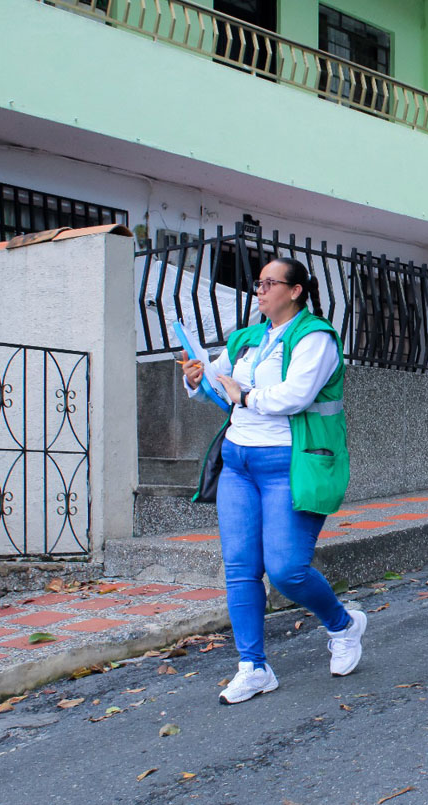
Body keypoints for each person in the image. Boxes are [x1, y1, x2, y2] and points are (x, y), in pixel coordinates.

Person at [182, 257, 365, 705]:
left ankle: (343, 625)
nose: (259, 291)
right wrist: (197, 379)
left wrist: (244, 394)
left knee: (286, 569)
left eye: (269, 283)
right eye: (257, 284)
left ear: (296, 290)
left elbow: (295, 396)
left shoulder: (315, 337)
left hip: (290, 462)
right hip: (239, 463)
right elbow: (219, 385)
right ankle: (253, 667)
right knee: (241, 568)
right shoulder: (247, 338)